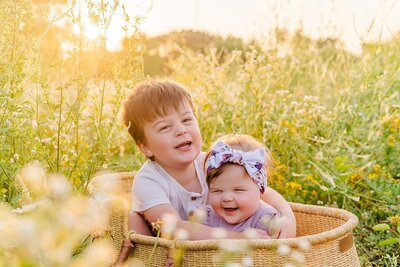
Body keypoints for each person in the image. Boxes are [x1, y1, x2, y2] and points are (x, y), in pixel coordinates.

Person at [115, 79, 296, 264]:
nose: (181, 130)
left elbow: (261, 191)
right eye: (165, 127)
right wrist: (239, 238)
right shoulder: (148, 180)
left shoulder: (211, 162)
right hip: (168, 251)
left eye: (186, 120)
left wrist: (288, 217)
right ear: (145, 147)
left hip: (211, 250)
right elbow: (173, 227)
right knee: (133, 219)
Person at [200, 134, 283, 238]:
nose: (226, 198)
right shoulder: (207, 217)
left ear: (260, 191)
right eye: (217, 191)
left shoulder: (266, 219)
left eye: (238, 190)